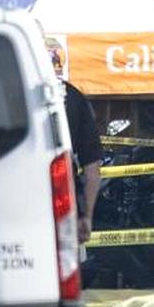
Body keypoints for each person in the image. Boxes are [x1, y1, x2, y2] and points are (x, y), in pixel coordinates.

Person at [62, 80, 103, 242]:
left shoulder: (2, 89)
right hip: (63, 210)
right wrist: (87, 216)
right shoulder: (71, 96)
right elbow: (92, 169)